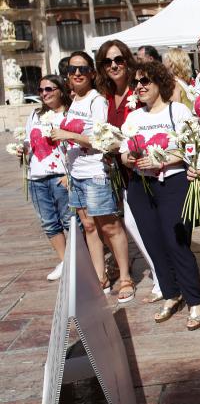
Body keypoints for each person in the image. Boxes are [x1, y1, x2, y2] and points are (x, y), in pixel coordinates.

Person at [121, 61, 200, 329]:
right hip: (140, 186)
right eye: (136, 83)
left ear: (160, 83)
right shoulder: (134, 117)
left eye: (146, 81)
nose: (140, 87)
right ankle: (171, 293)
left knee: (176, 242)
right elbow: (123, 154)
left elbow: (191, 147)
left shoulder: (177, 111)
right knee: (153, 243)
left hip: (173, 183)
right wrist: (132, 159)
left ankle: (195, 299)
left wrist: (162, 161)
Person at [50, 52, 135, 303]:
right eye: (73, 69)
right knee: (89, 226)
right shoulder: (74, 101)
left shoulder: (96, 101)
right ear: (67, 75)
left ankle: (126, 277)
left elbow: (103, 140)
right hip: (76, 173)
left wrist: (69, 135)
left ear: (91, 73)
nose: (77, 73)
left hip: (96, 172)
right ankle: (101, 277)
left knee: (109, 225)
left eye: (83, 69)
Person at [95, 39, 163, 304]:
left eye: (119, 60)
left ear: (127, 60)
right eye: (107, 62)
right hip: (119, 172)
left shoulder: (141, 86)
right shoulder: (104, 97)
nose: (114, 66)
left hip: (147, 169)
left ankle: (163, 276)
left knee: (151, 225)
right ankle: (159, 274)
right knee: (135, 227)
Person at [23, 75, 72, 281]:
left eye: (49, 89)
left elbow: (74, 146)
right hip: (36, 177)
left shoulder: (69, 115)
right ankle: (65, 262)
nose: (44, 93)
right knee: (49, 223)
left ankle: (79, 261)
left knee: (71, 222)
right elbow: (28, 142)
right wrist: (22, 149)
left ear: (60, 89)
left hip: (60, 176)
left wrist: (68, 175)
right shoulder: (35, 115)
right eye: (41, 90)